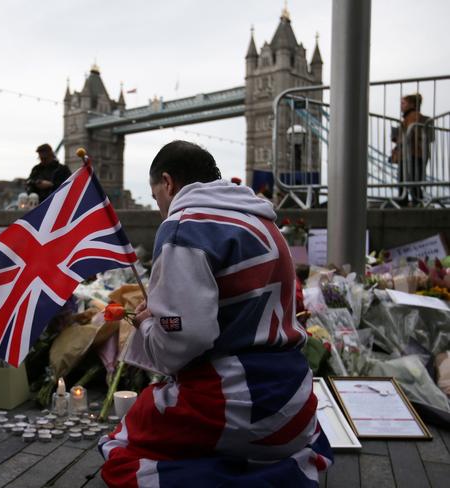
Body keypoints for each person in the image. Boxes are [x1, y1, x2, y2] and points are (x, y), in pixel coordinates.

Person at [99, 141, 332, 487]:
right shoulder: (264, 221)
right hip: (293, 406)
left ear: (168, 182)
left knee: (119, 445)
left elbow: (182, 341)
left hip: (235, 404)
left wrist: (149, 322)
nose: (160, 207)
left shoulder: (184, 225)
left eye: (155, 196)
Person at [391, 94, 432, 205]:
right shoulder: (410, 117)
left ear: (412, 104)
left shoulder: (413, 116)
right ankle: (413, 201)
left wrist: (400, 136)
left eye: (403, 103)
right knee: (411, 179)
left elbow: (412, 135)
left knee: (407, 179)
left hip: (412, 153)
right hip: (412, 153)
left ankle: (408, 201)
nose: (401, 106)